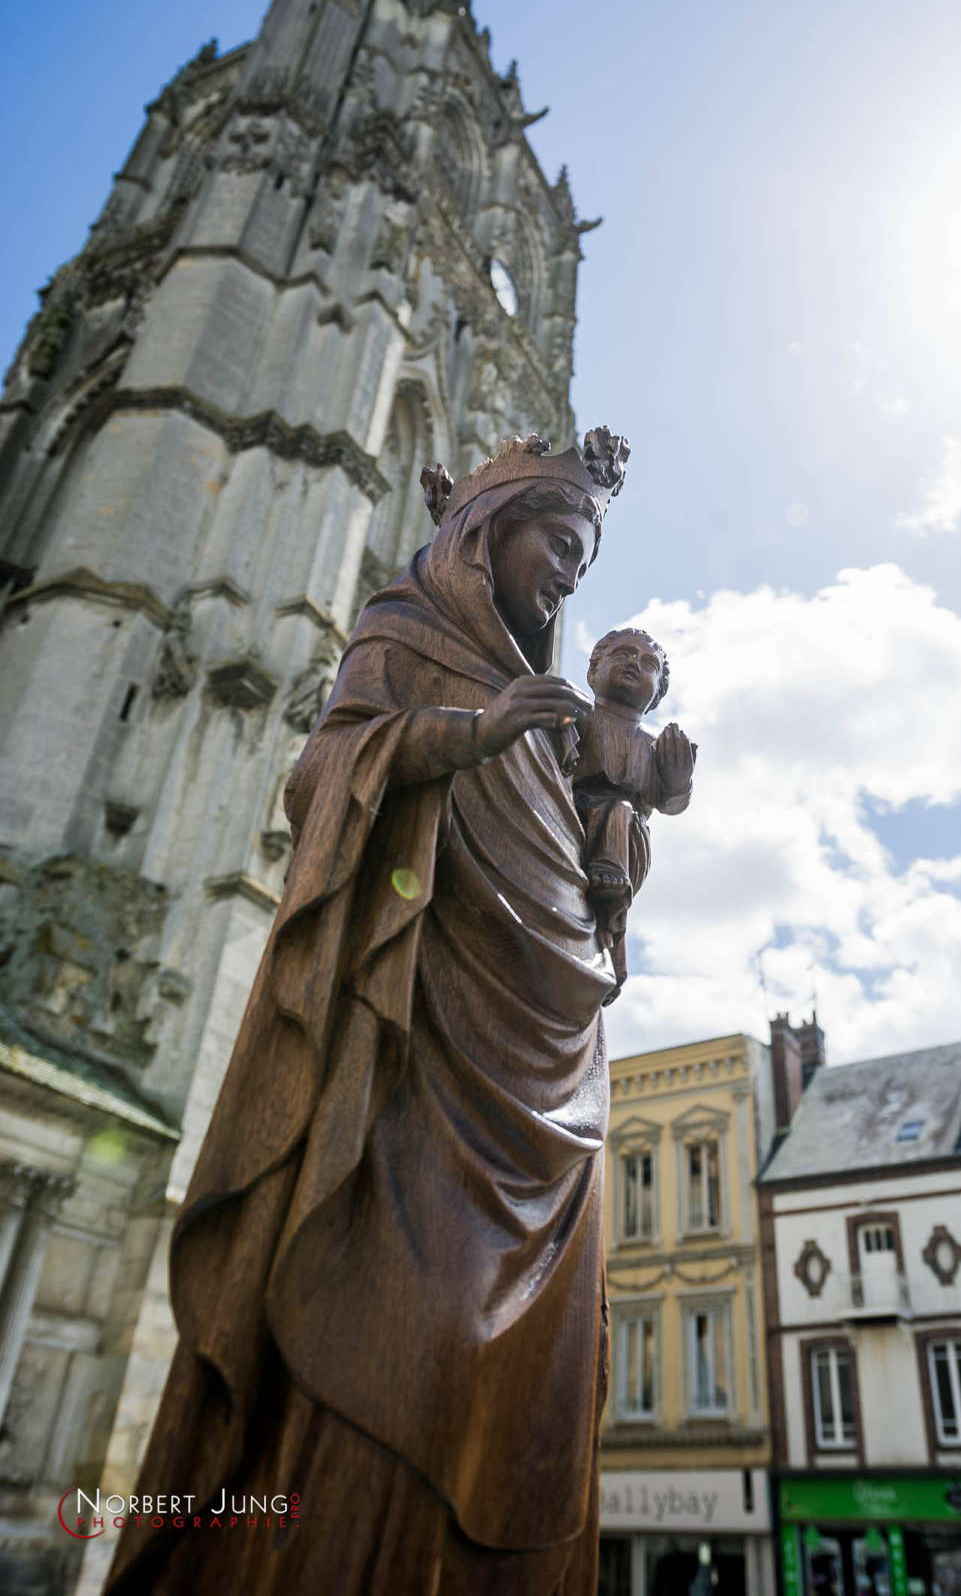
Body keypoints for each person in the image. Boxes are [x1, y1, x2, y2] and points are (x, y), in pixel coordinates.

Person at [107, 429, 630, 1596]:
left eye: (586, 564)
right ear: (487, 535)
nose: (568, 579)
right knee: (400, 1329)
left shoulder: (545, 709)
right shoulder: (408, 636)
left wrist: (612, 860)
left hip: (546, 1075)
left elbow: (565, 886)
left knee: (532, 1380)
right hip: (413, 1051)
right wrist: (466, 737)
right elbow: (321, 774)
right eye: (561, 545)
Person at [572, 627, 696, 987]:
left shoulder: (655, 747)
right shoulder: (577, 718)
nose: (633, 664)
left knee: (622, 812)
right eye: (623, 654)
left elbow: (672, 804)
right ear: (595, 670)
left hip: (625, 843)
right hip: (571, 816)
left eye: (648, 663)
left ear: (657, 693)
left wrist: (677, 780)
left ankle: (610, 927)